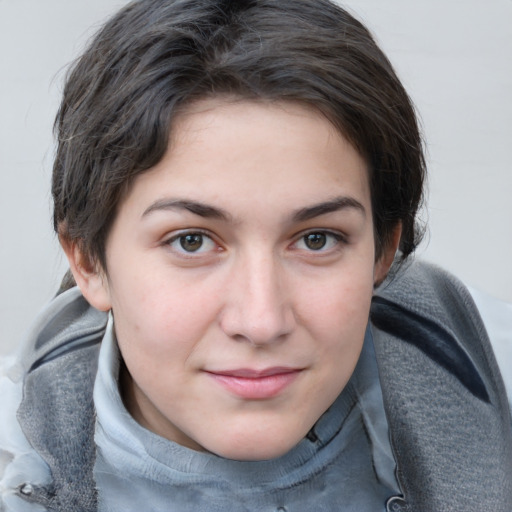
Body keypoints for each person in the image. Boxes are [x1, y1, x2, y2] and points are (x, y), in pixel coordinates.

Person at [1, 0, 511, 511]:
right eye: (192, 241)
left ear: (384, 252)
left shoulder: (496, 373)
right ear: (88, 260)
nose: (262, 321)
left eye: (317, 239)